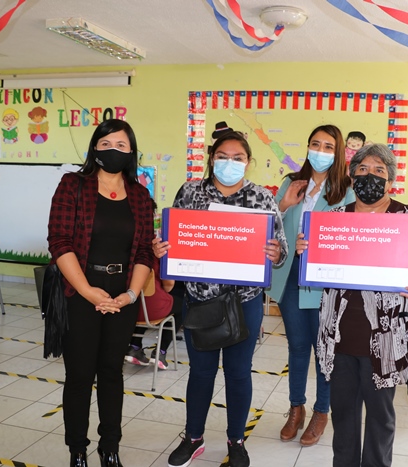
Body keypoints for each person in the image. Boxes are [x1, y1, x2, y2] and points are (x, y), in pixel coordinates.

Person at [298, 143, 408, 467]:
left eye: (379, 170)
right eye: (362, 169)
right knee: (344, 416)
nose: (370, 176)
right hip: (339, 337)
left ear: (390, 179)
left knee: (380, 418)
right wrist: (306, 249)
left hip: (386, 340)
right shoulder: (332, 219)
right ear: (352, 176)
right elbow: (314, 268)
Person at [154, 131, 288, 467]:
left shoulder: (261, 197)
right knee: (200, 373)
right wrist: (162, 249)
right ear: (211, 157)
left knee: (239, 372)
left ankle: (236, 440)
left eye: (238, 157)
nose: (231, 163)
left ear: (248, 161)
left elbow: (281, 248)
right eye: (223, 156)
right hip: (201, 299)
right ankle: (194, 438)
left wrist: (276, 252)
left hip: (245, 301)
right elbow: (174, 237)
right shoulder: (190, 192)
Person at [47, 119, 154, 467]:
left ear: (132, 152)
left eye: (121, 145)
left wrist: (131, 295)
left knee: (111, 373)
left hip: (122, 294)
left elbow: (143, 253)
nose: (113, 150)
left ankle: (110, 449)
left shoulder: (140, 195)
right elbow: (59, 242)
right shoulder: (72, 185)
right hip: (80, 292)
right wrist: (87, 291)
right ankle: (77, 451)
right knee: (79, 376)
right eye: (106, 143)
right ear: (95, 147)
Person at [266, 124, 354, 446]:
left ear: (338, 152)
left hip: (325, 285)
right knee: (298, 346)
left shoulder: (346, 190)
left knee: (324, 351)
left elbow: (349, 240)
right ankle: (296, 408)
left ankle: (321, 412)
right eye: (315, 144)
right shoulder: (292, 183)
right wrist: (285, 204)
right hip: (290, 276)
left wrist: (317, 245)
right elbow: (270, 226)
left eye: (328, 146)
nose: (320, 151)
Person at [124, 199, 183, 369]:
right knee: (180, 305)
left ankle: (134, 346)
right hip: (149, 310)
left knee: (143, 301)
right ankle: (160, 352)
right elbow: (168, 286)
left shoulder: (121, 245)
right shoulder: (157, 247)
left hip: (126, 306)